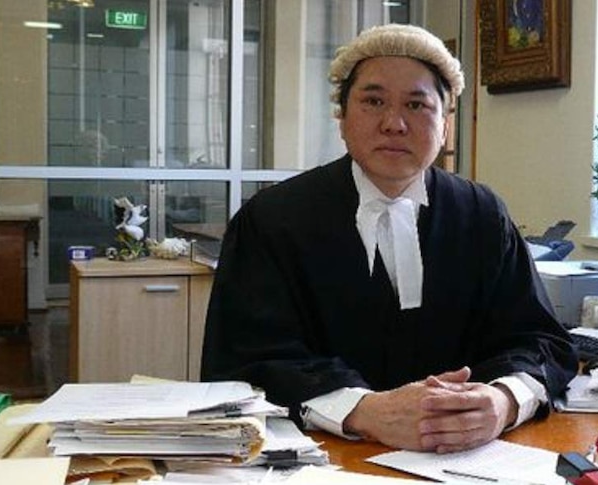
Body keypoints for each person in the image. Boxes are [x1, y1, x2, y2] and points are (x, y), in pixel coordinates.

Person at [201, 23, 577, 454]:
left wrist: (504, 400)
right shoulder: (271, 219)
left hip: (468, 459)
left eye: (417, 104)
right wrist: (363, 410)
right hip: (321, 460)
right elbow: (245, 361)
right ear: (341, 117)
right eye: (373, 101)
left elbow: (540, 340)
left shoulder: (483, 215)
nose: (394, 123)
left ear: (445, 123)